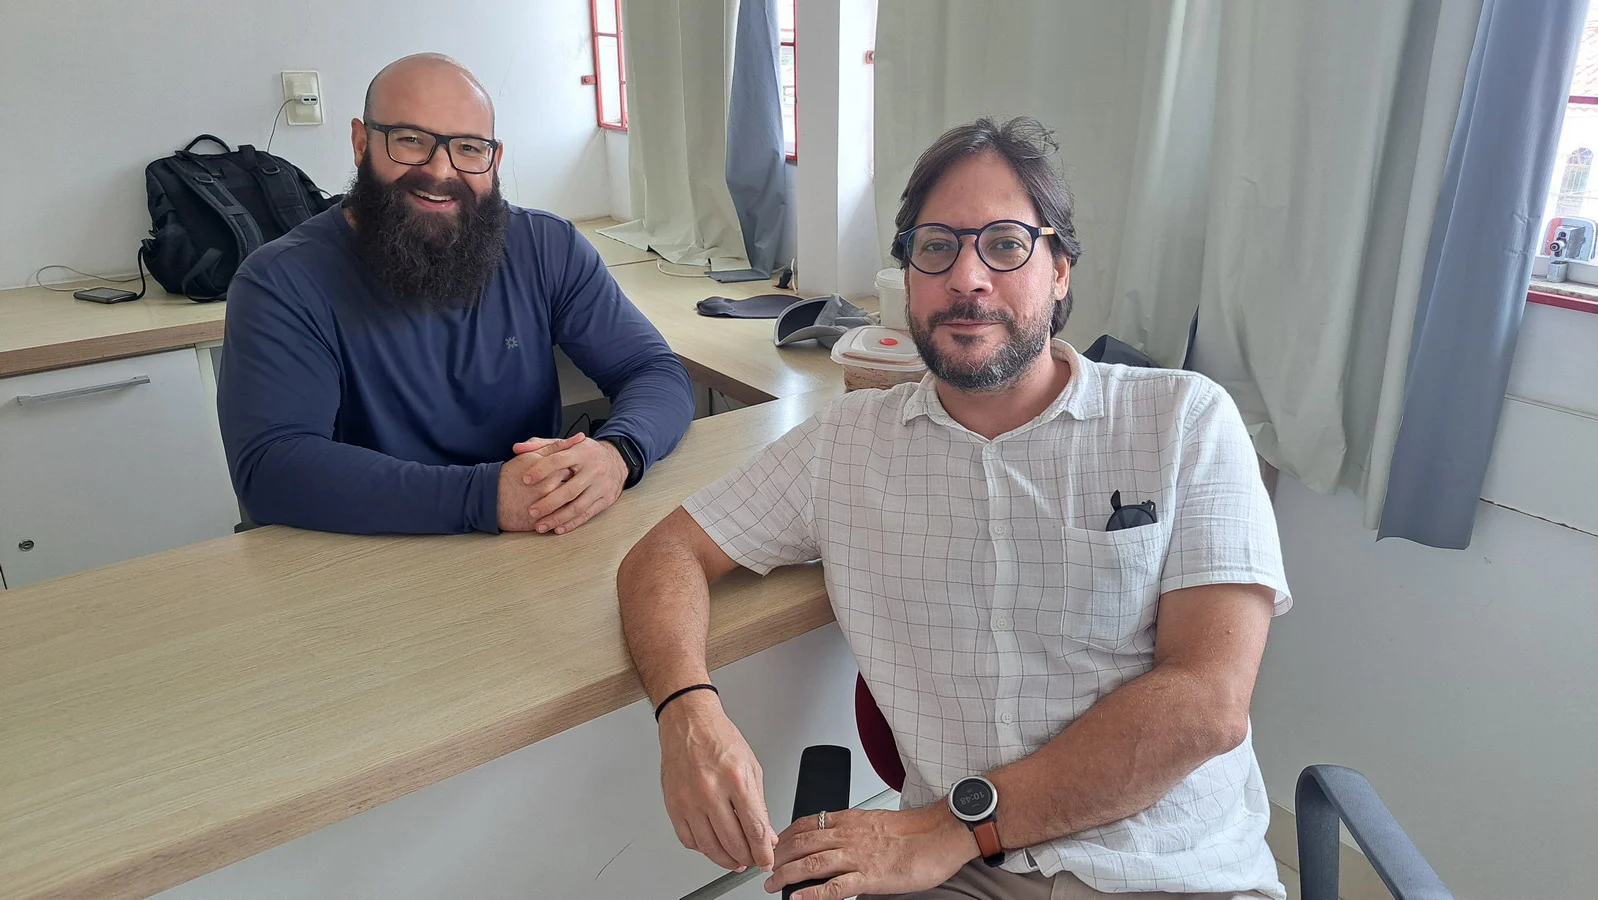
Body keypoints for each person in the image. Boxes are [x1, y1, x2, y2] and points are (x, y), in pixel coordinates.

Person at [617, 117, 1291, 900]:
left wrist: (953, 827)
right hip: (967, 878)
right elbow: (665, 555)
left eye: (1005, 244)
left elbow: (1207, 704)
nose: (967, 277)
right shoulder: (846, 445)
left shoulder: (1182, 421)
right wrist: (687, 714)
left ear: (1060, 270)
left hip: (1172, 868)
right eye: (936, 247)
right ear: (908, 276)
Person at [218, 53, 693, 536]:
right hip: (366, 554)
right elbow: (272, 468)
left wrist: (618, 453)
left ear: (494, 159)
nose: (441, 170)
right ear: (361, 144)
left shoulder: (547, 247)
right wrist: (485, 497)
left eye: (468, 147)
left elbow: (652, 369)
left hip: (538, 542)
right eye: (410, 140)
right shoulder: (281, 280)